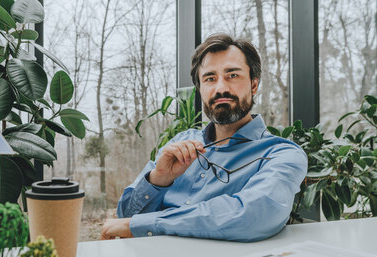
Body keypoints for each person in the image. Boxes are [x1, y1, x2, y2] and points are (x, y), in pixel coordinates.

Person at [100, 33, 308, 242]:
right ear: (201, 89)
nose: (221, 88)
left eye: (232, 75)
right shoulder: (179, 143)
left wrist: (149, 223)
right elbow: (125, 219)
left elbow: (252, 215)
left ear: (254, 85)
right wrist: (159, 179)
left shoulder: (282, 154)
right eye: (210, 79)